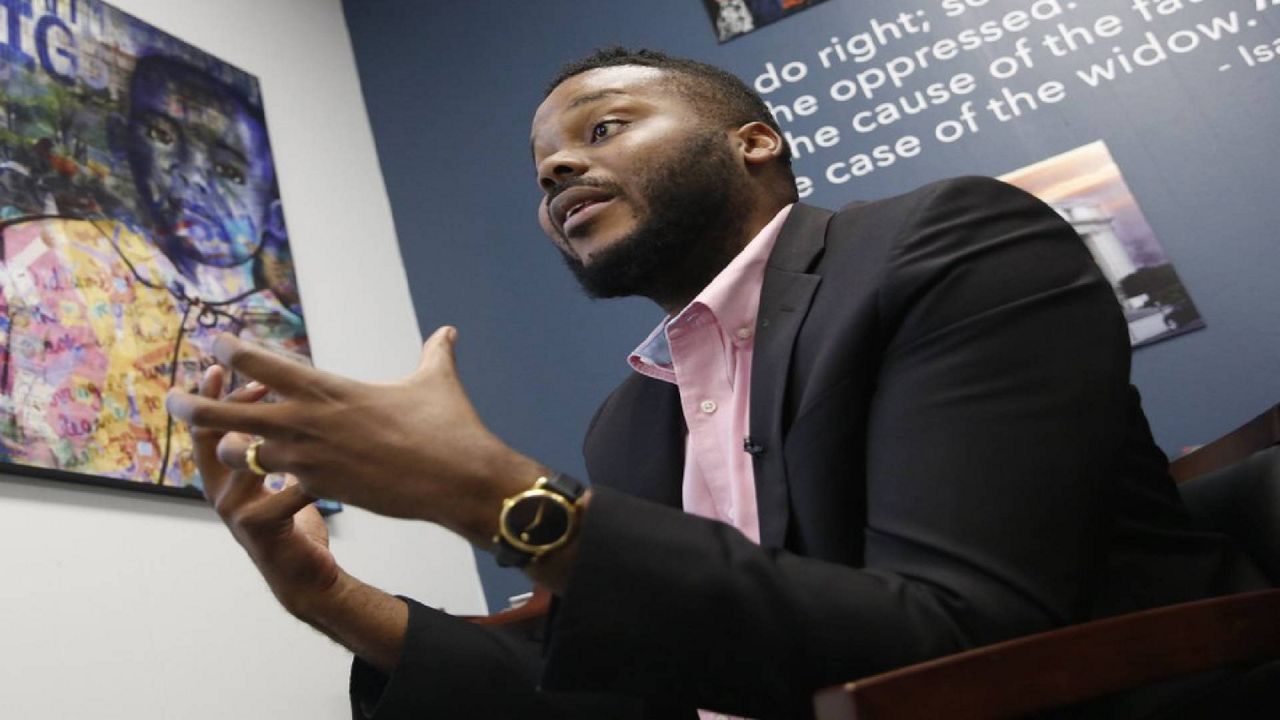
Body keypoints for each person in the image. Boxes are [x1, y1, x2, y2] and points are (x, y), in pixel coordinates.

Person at [168, 48, 1268, 719]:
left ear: (753, 142)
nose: (555, 168)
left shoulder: (945, 243)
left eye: (602, 129)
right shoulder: (632, 419)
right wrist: (331, 599)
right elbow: (648, 700)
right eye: (540, 166)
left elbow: (964, 641)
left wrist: (500, 501)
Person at [0, 55, 307, 487]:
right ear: (123, 142)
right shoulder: (40, 255)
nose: (188, 175)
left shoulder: (282, 345)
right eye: (161, 135)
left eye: (227, 170)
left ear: (273, 215)